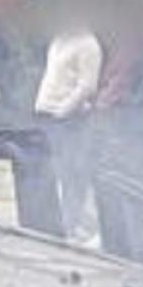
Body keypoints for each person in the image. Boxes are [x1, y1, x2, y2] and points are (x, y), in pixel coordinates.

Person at [33, 18, 105, 234]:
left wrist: (63, 112)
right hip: (45, 116)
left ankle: (69, 225)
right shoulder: (59, 39)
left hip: (68, 121)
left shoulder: (88, 44)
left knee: (71, 174)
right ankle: (50, 221)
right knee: (48, 172)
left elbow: (87, 86)